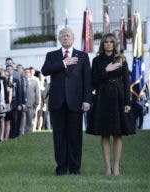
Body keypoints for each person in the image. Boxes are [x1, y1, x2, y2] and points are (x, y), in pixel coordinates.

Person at [41, 28, 92, 175]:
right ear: (58, 38)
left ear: (73, 38)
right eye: (63, 35)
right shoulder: (52, 55)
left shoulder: (82, 56)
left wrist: (87, 100)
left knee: (75, 137)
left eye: (68, 35)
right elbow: (45, 71)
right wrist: (64, 63)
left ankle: (75, 168)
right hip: (57, 103)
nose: (65, 37)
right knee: (59, 137)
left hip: (75, 103)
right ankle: (61, 168)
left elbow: (87, 81)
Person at [86, 33, 135, 176]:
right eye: (106, 41)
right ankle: (107, 168)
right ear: (102, 44)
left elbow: (126, 82)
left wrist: (127, 102)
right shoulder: (96, 61)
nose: (108, 44)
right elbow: (93, 81)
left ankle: (116, 167)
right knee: (105, 133)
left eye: (111, 42)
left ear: (114, 44)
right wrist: (106, 70)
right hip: (103, 97)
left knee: (118, 134)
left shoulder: (122, 59)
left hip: (119, 98)